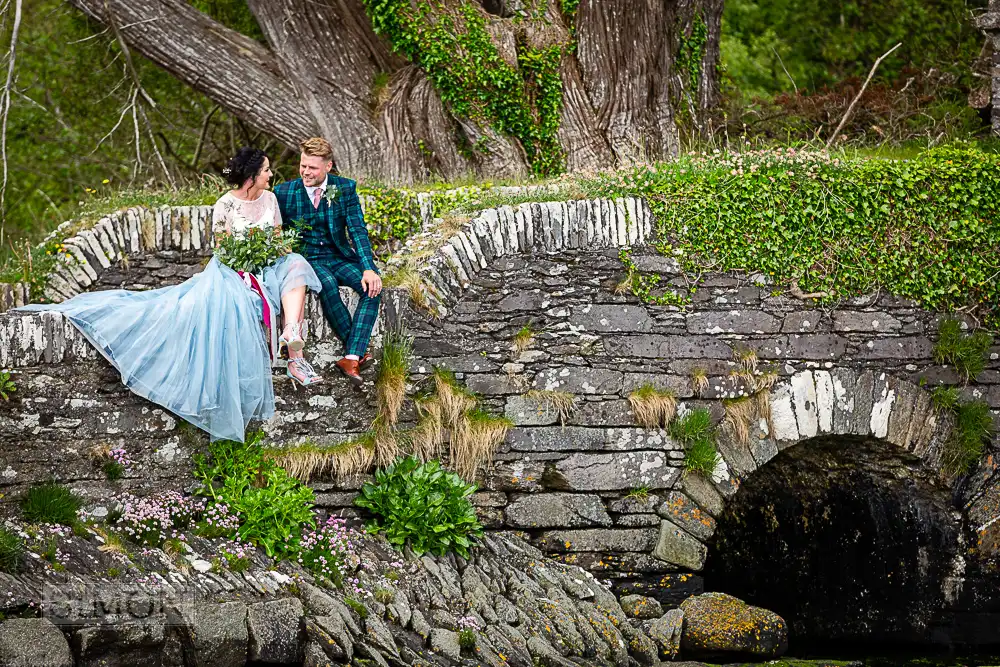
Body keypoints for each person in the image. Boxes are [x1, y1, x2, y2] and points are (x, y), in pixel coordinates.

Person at [16, 147, 323, 442]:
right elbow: (223, 249)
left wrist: (268, 253)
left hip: (266, 266)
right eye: (267, 170)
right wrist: (248, 263)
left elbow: (281, 242)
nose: (272, 174)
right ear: (253, 174)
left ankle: (291, 333)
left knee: (296, 263)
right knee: (227, 304)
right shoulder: (225, 205)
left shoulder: (270, 199)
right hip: (234, 270)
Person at [273, 137, 383, 387]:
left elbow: (357, 230)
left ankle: (351, 356)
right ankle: (357, 353)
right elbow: (276, 233)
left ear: (328, 167)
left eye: (312, 167)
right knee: (328, 285)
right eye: (303, 165)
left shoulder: (345, 188)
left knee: (373, 288)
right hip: (307, 260)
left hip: (338, 255)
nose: (305, 172)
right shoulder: (283, 192)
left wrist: (368, 267)